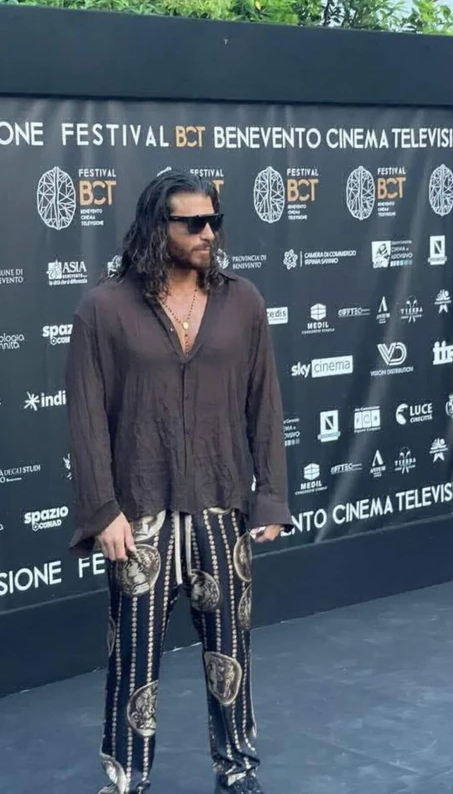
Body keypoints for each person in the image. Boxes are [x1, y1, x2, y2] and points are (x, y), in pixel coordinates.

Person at [66, 169, 293, 794]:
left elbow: (264, 403)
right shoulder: (104, 309)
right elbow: (86, 420)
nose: (207, 233)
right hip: (140, 513)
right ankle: (127, 779)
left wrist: (270, 496)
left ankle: (237, 768)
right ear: (155, 227)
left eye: (213, 221)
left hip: (222, 505)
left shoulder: (243, 302)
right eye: (192, 223)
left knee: (230, 652)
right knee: (132, 660)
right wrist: (102, 509)